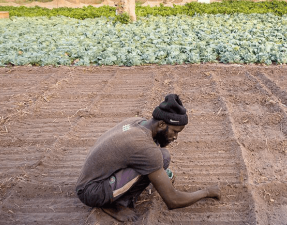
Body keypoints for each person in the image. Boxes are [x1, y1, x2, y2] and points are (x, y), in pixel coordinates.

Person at [75, 94, 221, 222]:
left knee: (162, 157)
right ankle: (115, 204)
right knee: (155, 158)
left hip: (92, 178)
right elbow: (173, 200)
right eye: (174, 131)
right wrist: (207, 192)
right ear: (162, 124)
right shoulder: (143, 146)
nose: (175, 137)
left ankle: (121, 196)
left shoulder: (137, 122)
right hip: (92, 192)